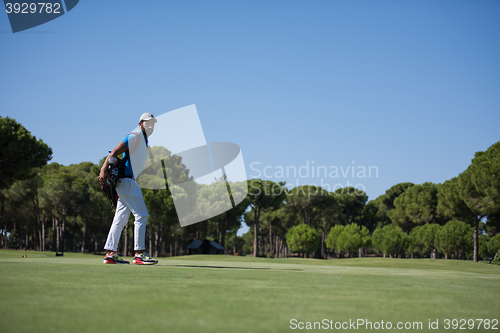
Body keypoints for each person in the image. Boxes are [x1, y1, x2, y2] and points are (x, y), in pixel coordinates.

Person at [98, 112, 158, 265]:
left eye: (153, 123)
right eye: (148, 123)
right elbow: (113, 153)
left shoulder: (143, 139)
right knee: (142, 214)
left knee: (121, 218)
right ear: (140, 123)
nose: (151, 126)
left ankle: (110, 254)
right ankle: (139, 254)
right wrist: (103, 168)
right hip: (126, 182)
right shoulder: (135, 136)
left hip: (127, 182)